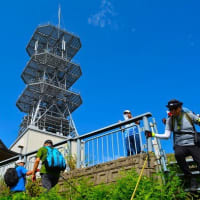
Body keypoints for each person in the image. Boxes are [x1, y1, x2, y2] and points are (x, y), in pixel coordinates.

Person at [145, 99, 200, 189]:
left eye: (174, 108)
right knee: (178, 154)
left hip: (193, 143)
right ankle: (190, 178)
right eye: (170, 109)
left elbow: (198, 120)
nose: (172, 111)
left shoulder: (189, 115)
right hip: (180, 144)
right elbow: (167, 135)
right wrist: (153, 134)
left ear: (179, 108)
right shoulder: (170, 121)